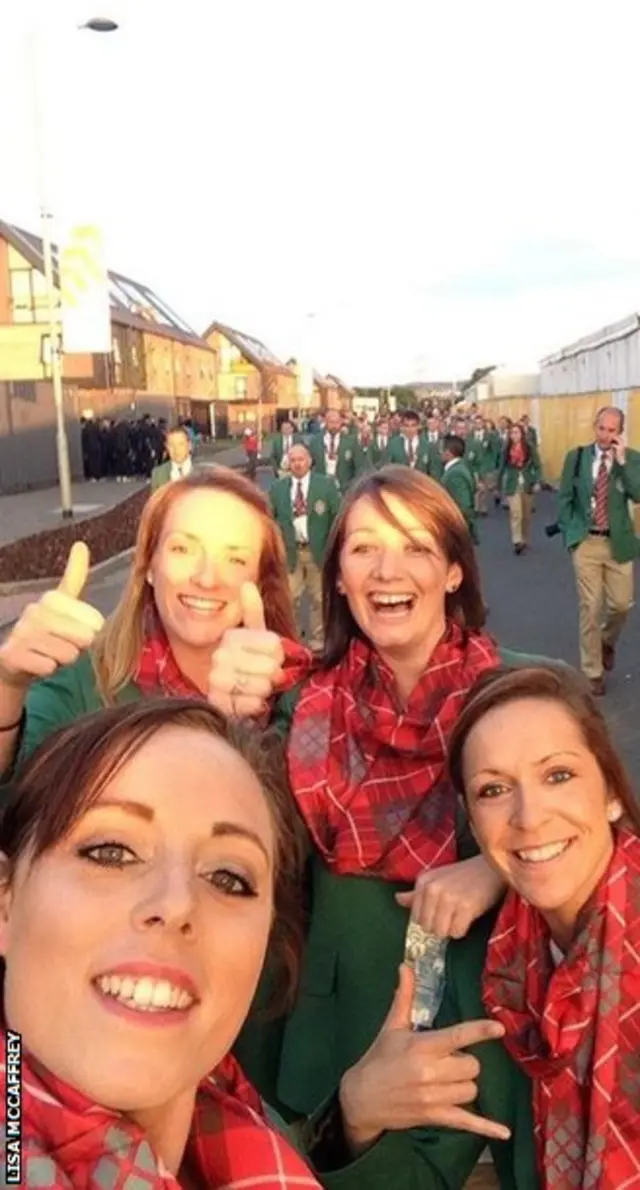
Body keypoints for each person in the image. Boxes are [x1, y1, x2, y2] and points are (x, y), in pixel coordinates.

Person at [213, 468, 551, 1131]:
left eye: (417, 546)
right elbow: (231, 842)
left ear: (454, 572)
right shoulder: (298, 705)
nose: (387, 570)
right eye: (365, 547)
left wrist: (500, 864)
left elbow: (609, 831)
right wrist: (225, 723)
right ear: (337, 575)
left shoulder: (530, 690)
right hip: (340, 1035)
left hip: (494, 1032)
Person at [0, 698, 321, 1188]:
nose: (176, 904)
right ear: (6, 901)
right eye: (111, 852)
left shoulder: (250, 1135)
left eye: (228, 877)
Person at [0, 469, 308, 781]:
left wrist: (249, 730)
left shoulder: (299, 696)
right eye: (182, 549)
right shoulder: (85, 679)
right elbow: (14, 786)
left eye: (236, 560)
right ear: (149, 564)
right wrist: (8, 685)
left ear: (260, 582)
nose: (206, 578)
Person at [557, 405, 640, 696]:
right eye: (601, 428)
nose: (605, 435)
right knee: (590, 608)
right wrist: (571, 535)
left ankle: (607, 641)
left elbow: (638, 493)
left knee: (621, 605)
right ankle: (592, 671)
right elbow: (565, 497)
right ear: (595, 426)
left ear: (620, 432)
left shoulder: (631, 459)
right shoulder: (577, 457)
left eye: (612, 430)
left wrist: (622, 460)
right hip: (587, 542)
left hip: (619, 543)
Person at [269, 444, 341, 650]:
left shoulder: (325, 485)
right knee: (290, 598)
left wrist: (332, 548)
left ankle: (318, 640)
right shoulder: (278, 488)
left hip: (317, 552)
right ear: (288, 463)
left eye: (301, 459)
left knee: (320, 598)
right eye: (293, 460)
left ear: (309, 461)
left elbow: (337, 518)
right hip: (291, 553)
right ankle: (294, 638)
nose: (297, 464)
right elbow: (269, 519)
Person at [498, 422, 541, 555]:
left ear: (522, 434)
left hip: (527, 483)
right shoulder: (506, 449)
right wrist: (498, 485)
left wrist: (537, 481)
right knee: (516, 513)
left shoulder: (529, 448)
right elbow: (502, 467)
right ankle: (517, 540)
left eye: (517, 433)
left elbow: (538, 465)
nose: (514, 436)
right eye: (512, 433)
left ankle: (525, 538)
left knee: (526, 515)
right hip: (513, 483)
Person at [441, 434, 478, 542]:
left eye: (441, 449)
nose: (439, 453)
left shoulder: (455, 474)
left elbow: (463, 504)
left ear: (448, 453)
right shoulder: (460, 468)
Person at [309, 409, 354, 490]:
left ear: (341, 422)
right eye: (331, 422)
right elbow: (309, 464)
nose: (334, 425)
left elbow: (357, 467)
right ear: (325, 422)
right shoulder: (315, 441)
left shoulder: (351, 442)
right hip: (321, 487)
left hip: (344, 488)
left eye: (336, 422)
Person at [150, 425, 193, 491]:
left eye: (180, 444)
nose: (176, 450)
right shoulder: (158, 473)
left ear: (189, 446)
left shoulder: (204, 472)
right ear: (166, 447)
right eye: (171, 445)